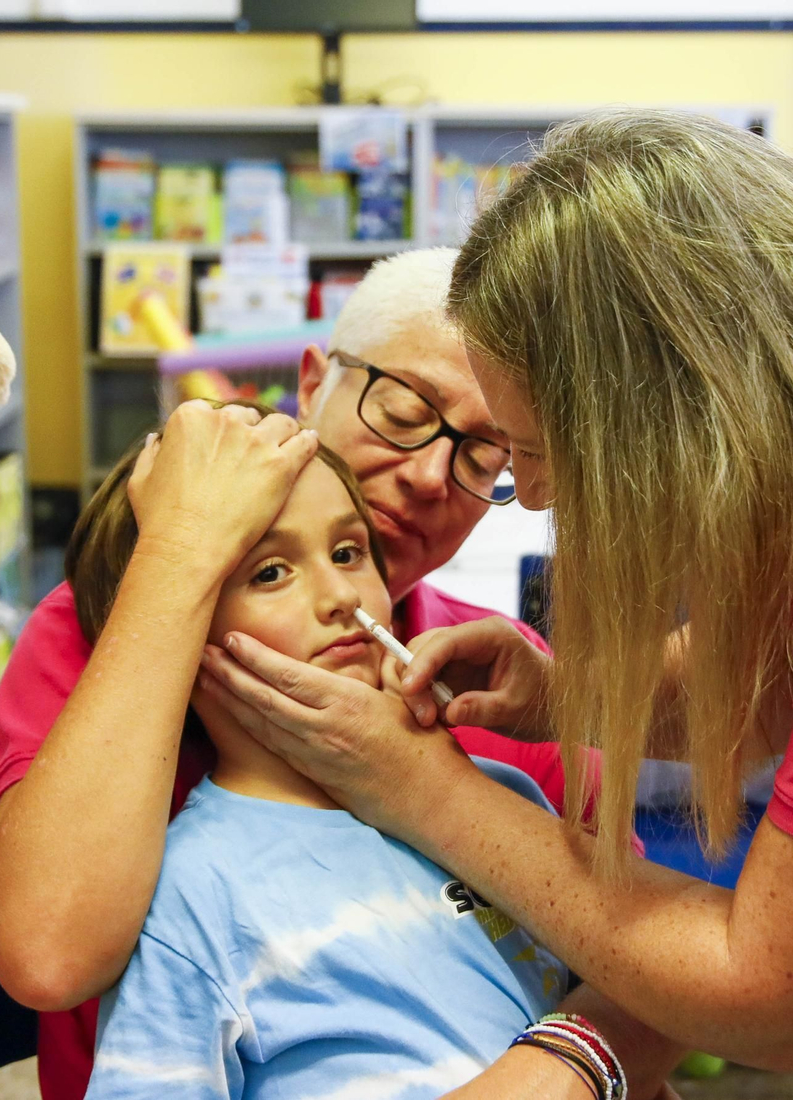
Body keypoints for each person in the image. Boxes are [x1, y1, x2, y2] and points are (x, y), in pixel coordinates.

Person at [198, 109, 793, 1073]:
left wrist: (423, 790)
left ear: (673, 414)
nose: (529, 494)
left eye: (533, 452)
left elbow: (791, 999)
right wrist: (568, 696)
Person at [0, 251, 674, 1098]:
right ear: (312, 382)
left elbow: (655, 964)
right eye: (404, 413)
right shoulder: (117, 628)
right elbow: (46, 952)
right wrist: (181, 564)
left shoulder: (510, 688)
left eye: (486, 455)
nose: (425, 476)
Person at [72, 432, 593, 1099]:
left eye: (348, 553)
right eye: (270, 573)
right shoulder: (192, 899)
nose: (340, 596)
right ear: (175, 637)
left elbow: (620, 1026)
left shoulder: (502, 797)